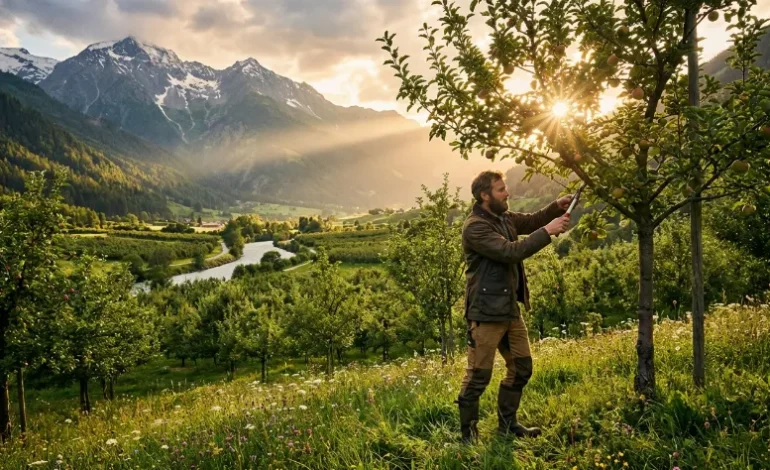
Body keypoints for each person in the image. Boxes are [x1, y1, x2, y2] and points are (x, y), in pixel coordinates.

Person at [456, 170, 572, 443]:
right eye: (500, 190)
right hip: (485, 315)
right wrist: (548, 231)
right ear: (485, 196)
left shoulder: (504, 218)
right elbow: (511, 252)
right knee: (477, 379)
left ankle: (508, 426)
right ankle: (467, 438)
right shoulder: (475, 227)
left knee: (521, 369)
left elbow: (531, 221)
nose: (507, 193)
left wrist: (556, 207)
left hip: (509, 310)